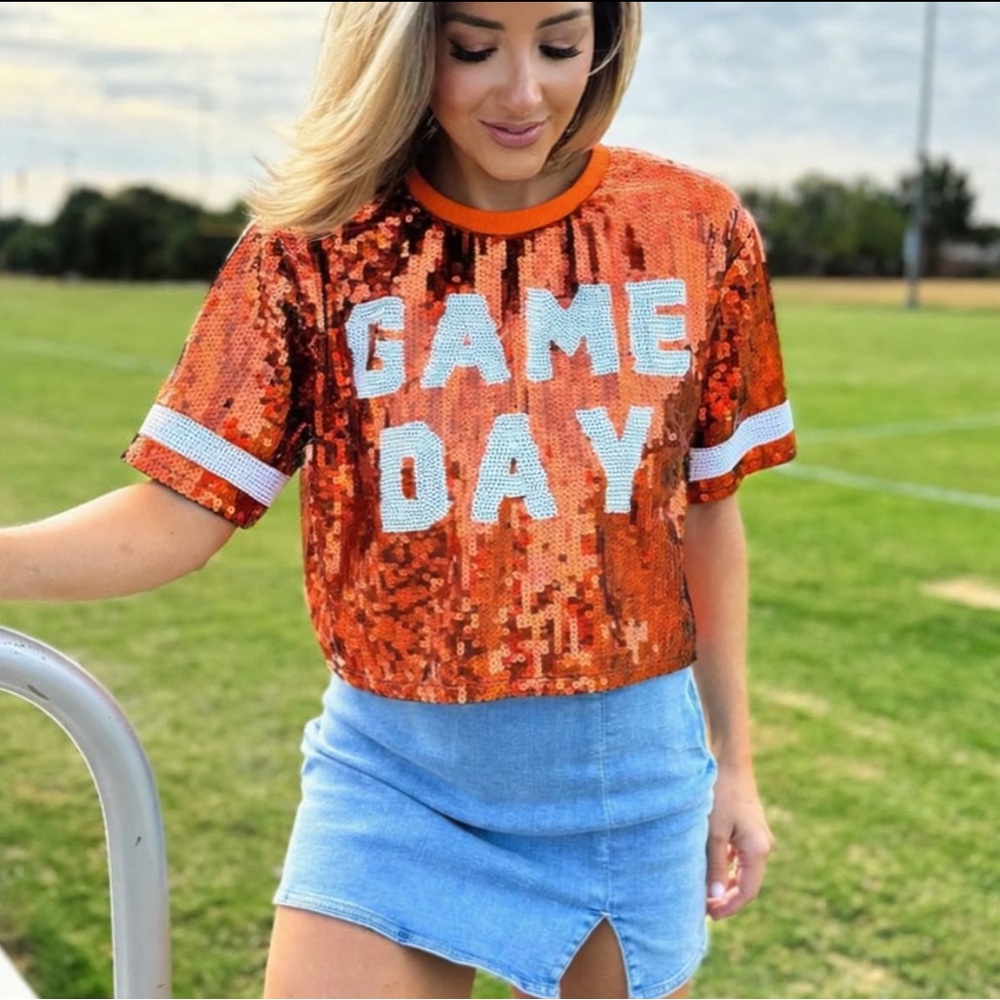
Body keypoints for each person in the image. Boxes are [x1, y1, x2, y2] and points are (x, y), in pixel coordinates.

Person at [0, 2, 797, 997]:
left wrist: (737, 764)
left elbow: (708, 514)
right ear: (408, 45)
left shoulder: (694, 228)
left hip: (620, 789)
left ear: (605, 39)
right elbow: (176, 514)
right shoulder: (314, 248)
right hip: (394, 780)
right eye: (473, 48)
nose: (522, 90)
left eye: (557, 43)